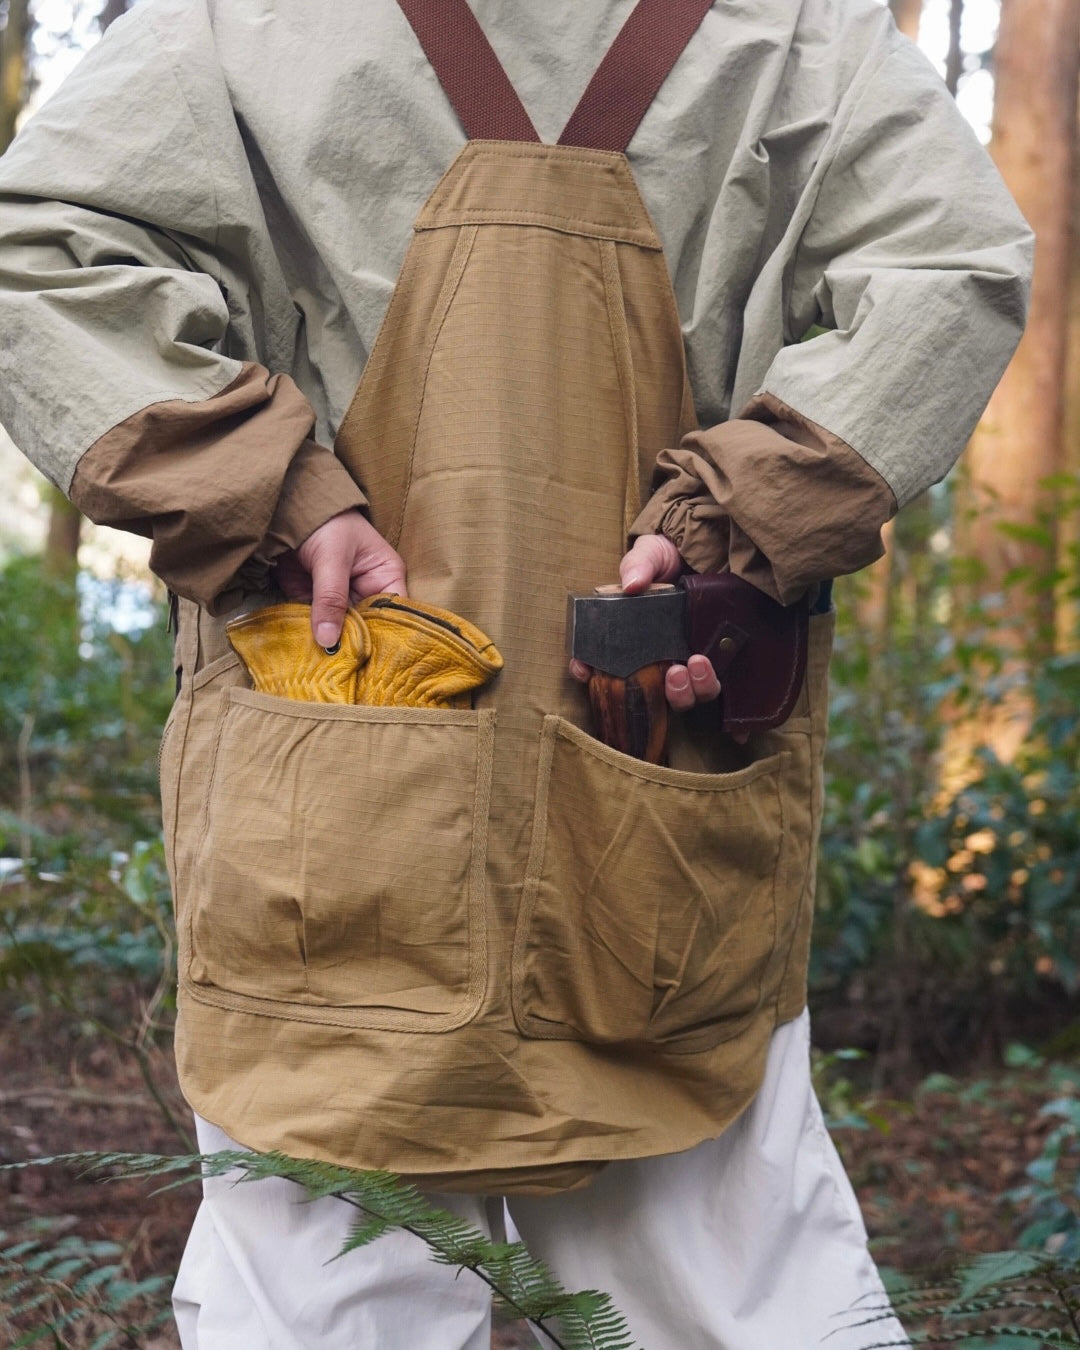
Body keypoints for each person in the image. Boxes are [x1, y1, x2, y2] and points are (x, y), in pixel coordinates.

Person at [0, 0, 1031, 1346]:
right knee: (723, 1282)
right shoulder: (792, 31)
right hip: (664, 762)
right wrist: (725, 522)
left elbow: (36, 253)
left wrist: (276, 499)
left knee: (326, 1285)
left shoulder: (241, 15)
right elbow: (951, 264)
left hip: (332, 758)